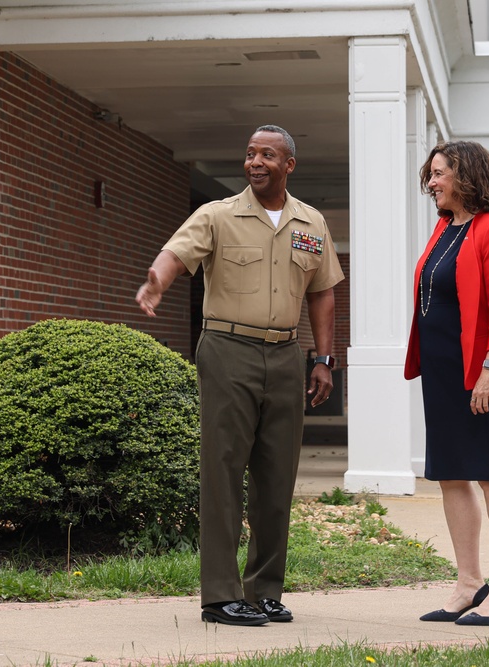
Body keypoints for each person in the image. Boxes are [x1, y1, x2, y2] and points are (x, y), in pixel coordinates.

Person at [136, 125, 344, 626]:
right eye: (250, 154)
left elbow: (322, 292)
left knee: (277, 476)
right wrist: (156, 281)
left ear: (288, 164)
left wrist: (323, 358)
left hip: (286, 357)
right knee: (223, 472)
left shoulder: (311, 223)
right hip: (228, 351)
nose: (255, 161)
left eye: (267, 155)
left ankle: (265, 590)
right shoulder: (217, 215)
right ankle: (220, 596)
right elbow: (177, 253)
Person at [405, 140, 489, 627]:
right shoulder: (445, 228)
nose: (432, 182)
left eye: (439, 173)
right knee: (451, 474)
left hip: (488, 372)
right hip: (445, 373)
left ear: (467, 176)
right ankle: (469, 583)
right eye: (431, 174)